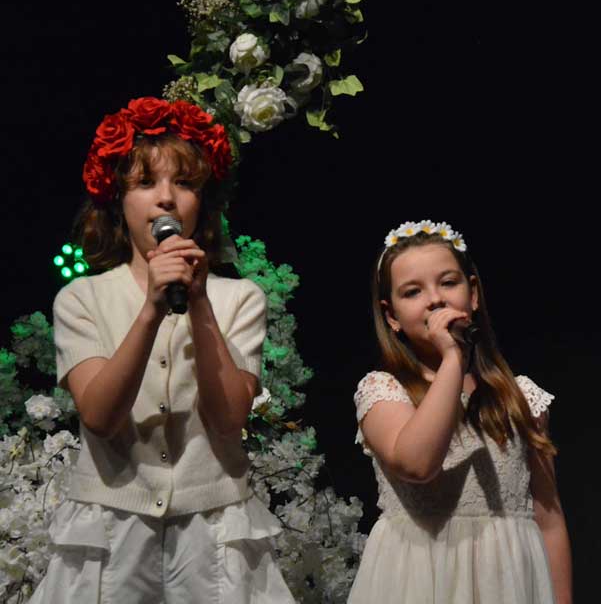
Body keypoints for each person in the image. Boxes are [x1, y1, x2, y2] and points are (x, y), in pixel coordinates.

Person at [33, 96, 294, 603]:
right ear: (118, 199)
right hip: (112, 528)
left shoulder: (239, 299)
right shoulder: (82, 299)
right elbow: (100, 416)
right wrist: (151, 310)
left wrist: (199, 303)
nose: (166, 199)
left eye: (185, 183)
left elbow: (228, 419)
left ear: (204, 201)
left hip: (213, 529)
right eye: (146, 182)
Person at [349, 220, 572, 604]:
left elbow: (549, 520)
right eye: (413, 291)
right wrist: (453, 358)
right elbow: (417, 464)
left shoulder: (519, 396)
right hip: (419, 583)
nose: (435, 299)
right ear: (391, 316)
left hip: (504, 583)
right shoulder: (383, 390)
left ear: (473, 294)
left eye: (448, 283)